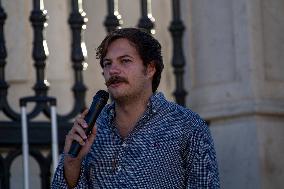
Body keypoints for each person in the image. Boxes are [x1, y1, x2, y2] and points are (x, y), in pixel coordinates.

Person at [51, 28, 220, 188]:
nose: (113, 70)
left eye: (125, 61)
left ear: (150, 69)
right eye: (107, 63)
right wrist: (72, 165)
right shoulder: (91, 128)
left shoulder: (188, 126)